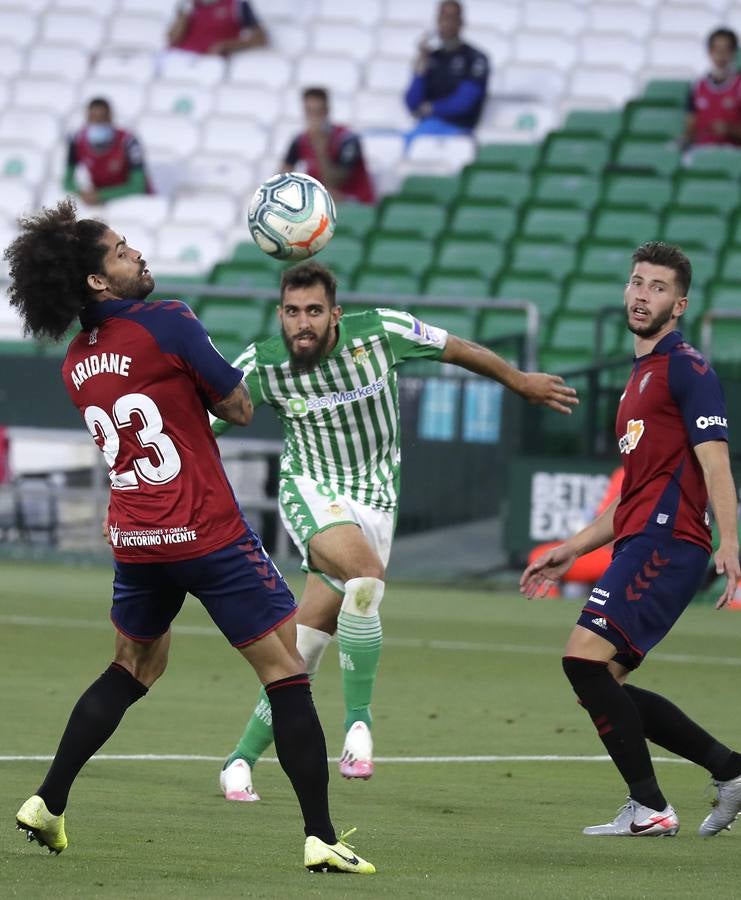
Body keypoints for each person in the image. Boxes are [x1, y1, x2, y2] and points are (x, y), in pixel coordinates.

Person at [4, 200, 374, 874]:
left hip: (136, 538)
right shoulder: (168, 320)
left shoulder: (75, 362)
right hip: (204, 531)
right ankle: (320, 836)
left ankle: (47, 803)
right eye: (120, 250)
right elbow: (236, 405)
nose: (136, 253)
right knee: (287, 673)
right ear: (96, 280)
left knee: (134, 667)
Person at [216, 260, 578, 802]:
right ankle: (358, 727)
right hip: (311, 489)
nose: (302, 324)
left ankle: (239, 761)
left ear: (335, 314)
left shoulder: (382, 332)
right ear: (280, 314)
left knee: (303, 649)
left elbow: (457, 348)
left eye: (314, 311)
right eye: (292, 312)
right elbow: (200, 425)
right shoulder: (262, 366)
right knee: (366, 573)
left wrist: (520, 381)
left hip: (377, 499)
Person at [521, 241, 741, 838]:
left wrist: (730, 538)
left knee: (582, 662)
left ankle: (649, 806)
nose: (643, 295)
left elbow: (716, 463)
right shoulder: (640, 377)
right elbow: (634, 495)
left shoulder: (687, 369)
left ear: (680, 305)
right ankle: (730, 771)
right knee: (603, 682)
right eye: (638, 283)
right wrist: (571, 547)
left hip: (669, 545)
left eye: (658, 288)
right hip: (641, 539)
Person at [527, 467, 624, 597]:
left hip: (619, 555)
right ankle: (547, 606)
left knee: (540, 558)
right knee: (541, 557)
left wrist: (580, 543)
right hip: (616, 553)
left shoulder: (634, 471)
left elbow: (614, 530)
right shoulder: (623, 472)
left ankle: (546, 604)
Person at [404, 0, 489, 141]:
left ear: (461, 22)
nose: (447, 24)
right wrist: (420, 70)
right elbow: (412, 103)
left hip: (458, 129)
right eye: (443, 18)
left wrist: (432, 108)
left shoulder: (474, 58)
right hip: (426, 127)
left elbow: (463, 103)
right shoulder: (432, 58)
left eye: (452, 18)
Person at [283, 88, 375, 205]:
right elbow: (282, 176)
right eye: (309, 112)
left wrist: (320, 151)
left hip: (355, 202)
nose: (314, 118)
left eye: (318, 112)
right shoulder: (301, 140)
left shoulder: (347, 139)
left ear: (327, 111)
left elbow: (335, 183)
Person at [64, 99, 149, 207]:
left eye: (102, 118)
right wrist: (82, 193)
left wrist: (101, 195)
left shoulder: (128, 141)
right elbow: (67, 182)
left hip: (129, 202)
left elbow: (138, 186)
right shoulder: (76, 140)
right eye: (93, 118)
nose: (98, 122)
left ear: (110, 118)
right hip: (98, 202)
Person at [683, 28, 741, 147]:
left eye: (726, 50)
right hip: (701, 151)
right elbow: (690, 126)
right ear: (709, 52)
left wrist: (729, 129)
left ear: (734, 52)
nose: (721, 55)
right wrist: (685, 138)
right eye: (716, 49)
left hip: (734, 152)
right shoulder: (697, 86)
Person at [166, 0, 267, 57]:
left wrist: (227, 46)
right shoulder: (188, 5)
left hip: (212, 62)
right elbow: (173, 39)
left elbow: (260, 38)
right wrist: (184, 12)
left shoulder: (237, 5)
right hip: (180, 58)